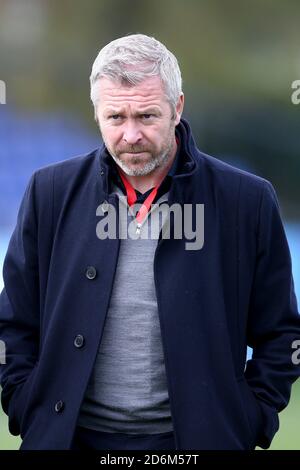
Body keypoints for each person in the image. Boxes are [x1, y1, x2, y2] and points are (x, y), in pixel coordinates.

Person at [0, 33, 299, 451]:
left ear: (177, 107)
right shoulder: (48, 192)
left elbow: (283, 335)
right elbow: (13, 324)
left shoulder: (247, 201)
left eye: (146, 116)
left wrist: (250, 420)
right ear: (96, 113)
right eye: (115, 118)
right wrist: (24, 404)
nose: (131, 134)